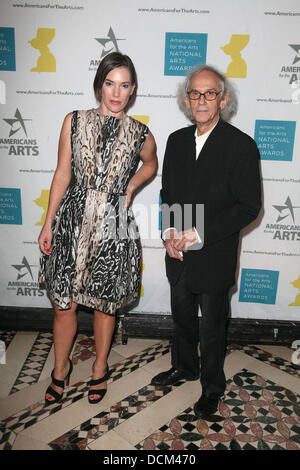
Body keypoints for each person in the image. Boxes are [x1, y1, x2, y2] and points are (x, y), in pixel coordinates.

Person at [38, 52, 158, 405]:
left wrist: (132, 185)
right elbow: (62, 173)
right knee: (63, 305)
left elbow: (151, 165)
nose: (116, 93)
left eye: (124, 85)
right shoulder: (73, 121)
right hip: (72, 220)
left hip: (113, 225)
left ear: (132, 90)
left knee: (106, 305)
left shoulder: (140, 133)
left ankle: (99, 368)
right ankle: (61, 370)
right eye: (109, 83)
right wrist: (48, 223)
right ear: (99, 84)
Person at [151, 65, 261, 419]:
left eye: (210, 93)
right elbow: (168, 193)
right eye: (195, 93)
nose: (202, 100)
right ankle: (184, 367)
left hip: (214, 253)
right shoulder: (175, 140)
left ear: (223, 99)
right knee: (182, 318)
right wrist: (168, 231)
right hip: (178, 253)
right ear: (187, 100)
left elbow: (249, 206)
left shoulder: (241, 146)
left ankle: (212, 388)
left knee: (212, 329)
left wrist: (200, 233)